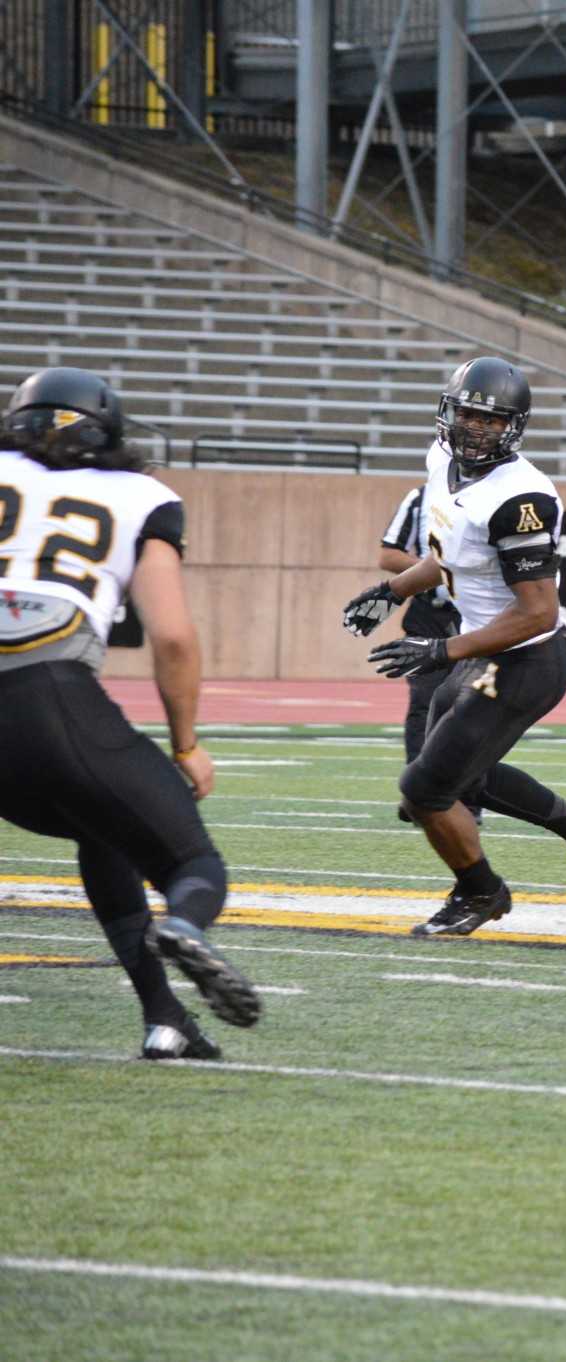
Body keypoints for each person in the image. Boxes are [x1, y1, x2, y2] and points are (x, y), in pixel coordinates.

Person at [0, 366, 259, 1059]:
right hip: (44, 697)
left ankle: (165, 1020)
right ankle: (188, 927)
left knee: (104, 830)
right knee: (191, 862)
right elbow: (171, 635)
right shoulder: (143, 496)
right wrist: (186, 744)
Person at [339, 357, 566, 936]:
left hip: (525, 660)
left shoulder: (521, 499)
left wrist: (441, 652)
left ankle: (481, 892)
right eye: (467, 414)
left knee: (424, 789)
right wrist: (392, 590)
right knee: (454, 774)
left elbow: (538, 612)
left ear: (514, 428)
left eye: (490, 420)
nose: (474, 428)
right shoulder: (442, 460)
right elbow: (449, 557)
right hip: (483, 651)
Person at [377, 481, 466, 766]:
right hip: (429, 616)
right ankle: (420, 791)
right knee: (424, 702)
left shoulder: (501, 496)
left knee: (474, 706)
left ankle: (470, 800)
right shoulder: (421, 496)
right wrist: (437, 571)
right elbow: (389, 555)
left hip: (479, 619)